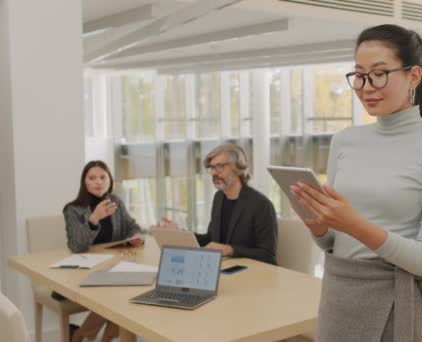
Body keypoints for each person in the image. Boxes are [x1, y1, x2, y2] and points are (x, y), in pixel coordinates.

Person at [290, 24, 422, 342]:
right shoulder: (344, 141)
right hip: (338, 298)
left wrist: (356, 225)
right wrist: (318, 225)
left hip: (397, 308)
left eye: (379, 73)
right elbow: (334, 242)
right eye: (359, 75)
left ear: (414, 76)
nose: (366, 86)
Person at [63, 160, 144, 342]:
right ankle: (84, 335)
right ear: (84, 182)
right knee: (118, 297)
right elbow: (77, 245)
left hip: (113, 267)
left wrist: (136, 235)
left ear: (110, 181)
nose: (98, 182)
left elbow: (131, 226)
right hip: (83, 271)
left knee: (124, 294)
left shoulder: (115, 202)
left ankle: (88, 336)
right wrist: (94, 219)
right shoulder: (73, 210)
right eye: (92, 178)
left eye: (102, 177)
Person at [160, 143, 278, 265]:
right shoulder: (219, 197)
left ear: (237, 168)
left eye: (219, 166)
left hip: (255, 273)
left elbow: (268, 255)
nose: (213, 173)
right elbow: (211, 240)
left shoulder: (261, 205)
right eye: (211, 168)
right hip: (226, 269)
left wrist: (230, 250)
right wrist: (179, 233)